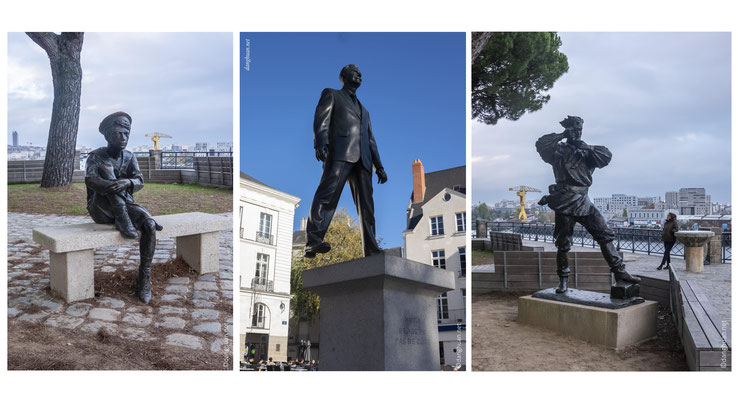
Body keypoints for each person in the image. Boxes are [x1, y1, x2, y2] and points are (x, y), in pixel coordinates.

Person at [536, 116, 641, 293]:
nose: (577, 132)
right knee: (563, 244)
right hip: (564, 200)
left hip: (583, 200)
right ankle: (563, 280)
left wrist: (586, 147)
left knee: (604, 235)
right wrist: (561, 135)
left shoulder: (587, 152)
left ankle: (620, 272)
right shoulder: (558, 150)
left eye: (580, 129)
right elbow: (541, 145)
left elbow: (606, 157)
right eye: (574, 129)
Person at [304, 64, 388, 258]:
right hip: (340, 152)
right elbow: (321, 119)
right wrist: (320, 142)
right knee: (327, 195)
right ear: (343, 76)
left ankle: (371, 248)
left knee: (367, 206)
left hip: (364, 161)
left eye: (360, 72)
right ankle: (313, 241)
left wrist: (379, 166)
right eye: (354, 70)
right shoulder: (332, 94)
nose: (359, 73)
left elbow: (371, 140)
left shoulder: (365, 111)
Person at [85, 112, 163, 303]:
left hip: (125, 206)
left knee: (149, 225)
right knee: (108, 175)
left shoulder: (129, 157)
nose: (123, 138)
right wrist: (113, 185)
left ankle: (144, 276)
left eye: (126, 134)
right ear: (108, 135)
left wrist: (126, 182)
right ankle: (122, 216)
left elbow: (139, 180)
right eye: (118, 134)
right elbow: (91, 180)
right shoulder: (96, 156)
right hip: (101, 208)